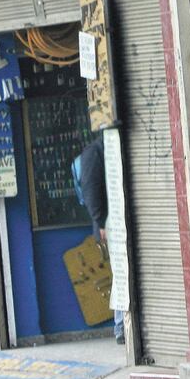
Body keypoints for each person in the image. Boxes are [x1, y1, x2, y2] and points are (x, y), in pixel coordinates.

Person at [79, 134, 124, 344]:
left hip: (115, 223)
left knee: (121, 273)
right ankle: (120, 325)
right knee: (120, 273)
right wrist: (101, 222)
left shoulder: (107, 148)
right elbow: (90, 189)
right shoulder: (94, 152)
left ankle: (121, 324)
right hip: (109, 225)